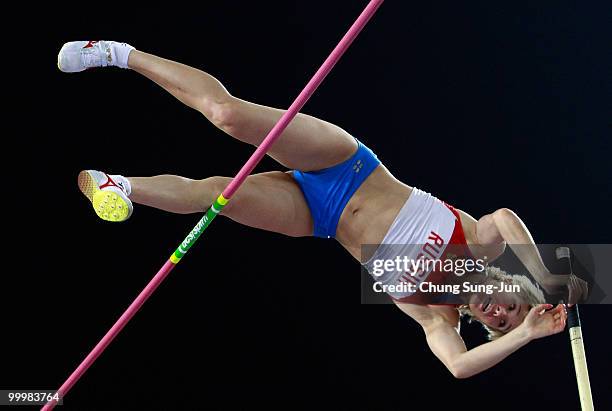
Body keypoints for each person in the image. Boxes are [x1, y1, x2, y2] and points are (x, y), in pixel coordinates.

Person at [58, 40, 586, 378]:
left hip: (321, 218)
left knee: (219, 198)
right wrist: (547, 279)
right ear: (508, 285)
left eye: (499, 322)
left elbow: (458, 367)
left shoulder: (435, 313)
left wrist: (525, 333)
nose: (499, 313)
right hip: (346, 165)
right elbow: (505, 217)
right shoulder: (482, 243)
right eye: (512, 306)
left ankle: (119, 185)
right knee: (227, 115)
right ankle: (118, 53)